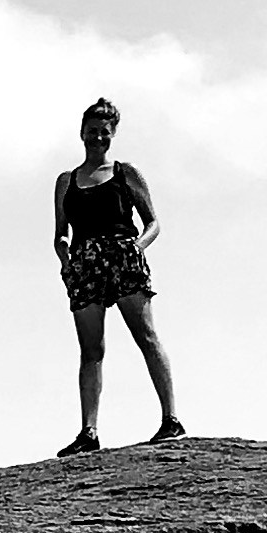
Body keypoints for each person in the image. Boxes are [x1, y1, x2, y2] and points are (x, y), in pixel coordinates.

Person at [52, 96, 182, 453]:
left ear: (113, 134)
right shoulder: (67, 181)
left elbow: (154, 222)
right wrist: (65, 255)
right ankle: (88, 432)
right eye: (92, 131)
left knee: (147, 336)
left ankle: (170, 419)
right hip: (85, 262)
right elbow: (60, 231)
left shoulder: (126, 173)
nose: (97, 138)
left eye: (104, 132)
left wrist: (137, 247)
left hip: (123, 255)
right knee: (91, 350)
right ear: (81, 133)